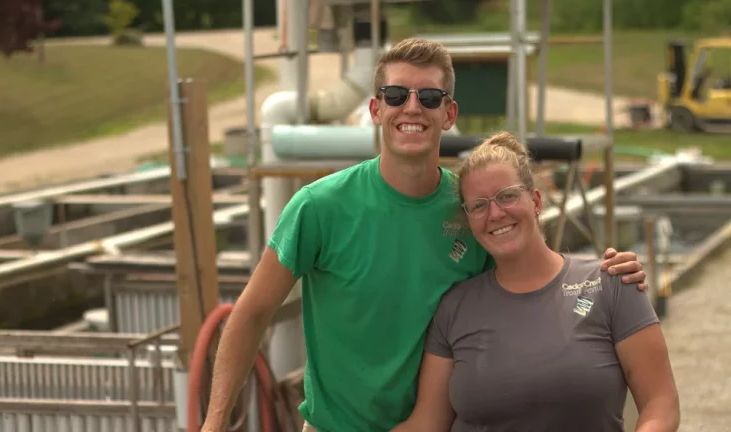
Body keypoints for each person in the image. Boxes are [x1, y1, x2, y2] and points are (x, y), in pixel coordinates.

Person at [201, 38, 649, 432]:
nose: (412, 108)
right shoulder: (319, 207)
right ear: (375, 110)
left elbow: (535, 282)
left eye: (429, 97)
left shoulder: (473, 209)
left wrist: (605, 277)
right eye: (396, 95)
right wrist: (214, 423)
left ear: (449, 113)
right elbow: (251, 313)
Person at [392, 132, 680, 432]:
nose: (495, 214)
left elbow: (661, 404)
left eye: (507, 196)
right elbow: (427, 423)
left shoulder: (611, 283)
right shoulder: (454, 308)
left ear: (536, 201)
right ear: (469, 221)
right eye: (478, 205)